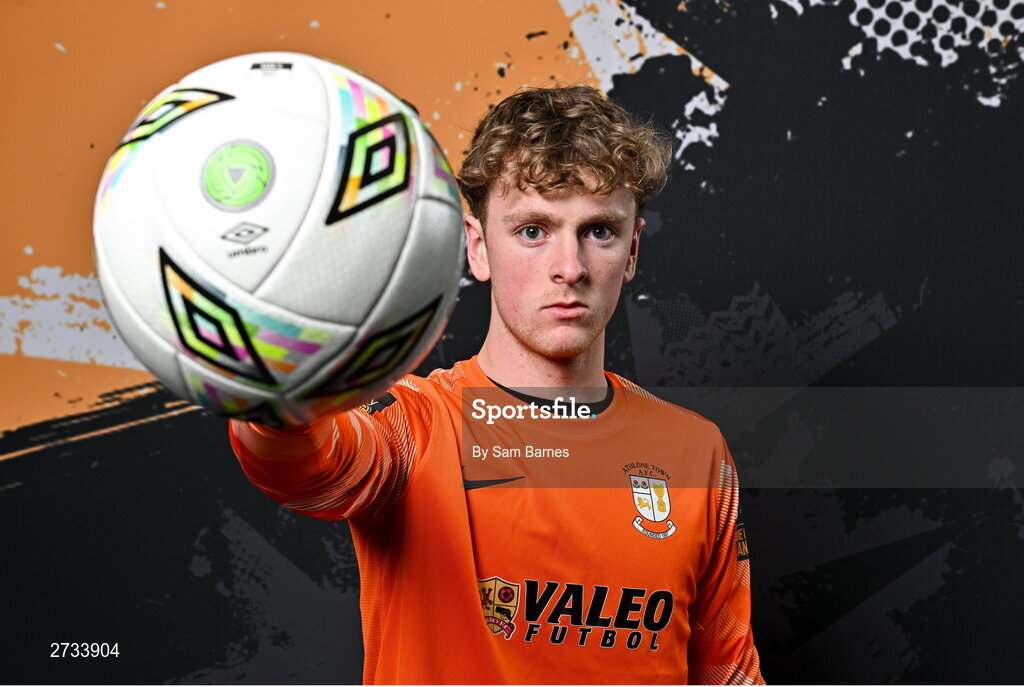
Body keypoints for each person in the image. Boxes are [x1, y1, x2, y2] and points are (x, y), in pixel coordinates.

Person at [230, 85, 763, 684]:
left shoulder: (695, 452)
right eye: (533, 231)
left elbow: (729, 674)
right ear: (479, 247)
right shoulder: (413, 429)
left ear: (632, 250)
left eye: (599, 232)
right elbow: (299, 464)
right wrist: (272, 378)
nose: (571, 267)